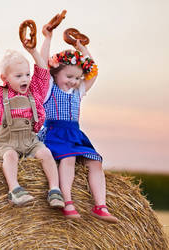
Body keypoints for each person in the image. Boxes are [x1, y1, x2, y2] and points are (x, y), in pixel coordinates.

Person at [38, 24, 119, 223]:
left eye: (77, 77)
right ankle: (67, 202)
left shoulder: (78, 91)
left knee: (95, 161)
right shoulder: (49, 89)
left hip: (74, 134)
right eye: (69, 76)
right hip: (54, 132)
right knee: (69, 159)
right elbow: (41, 65)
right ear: (55, 74)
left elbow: (93, 72)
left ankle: (100, 206)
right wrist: (47, 38)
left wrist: (81, 47)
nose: (74, 81)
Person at [0, 32, 64, 208]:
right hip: (7, 142)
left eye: (26, 75)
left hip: (30, 140)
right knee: (10, 157)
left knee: (46, 154)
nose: (24, 79)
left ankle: (55, 190)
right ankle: (14, 189)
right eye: (18, 76)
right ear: (4, 78)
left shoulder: (35, 91)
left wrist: (33, 52)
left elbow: (43, 73)